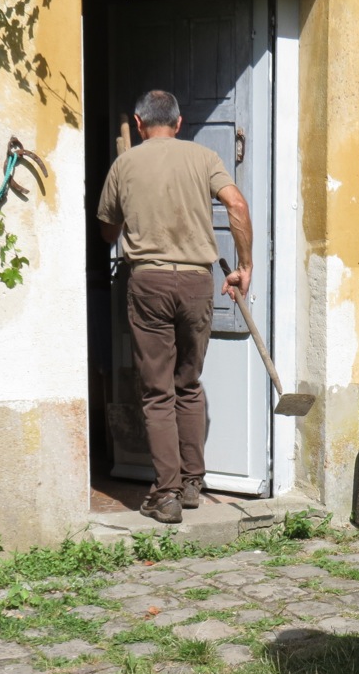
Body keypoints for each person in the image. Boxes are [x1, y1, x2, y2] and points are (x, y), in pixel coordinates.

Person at [97, 90, 253, 524]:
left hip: (149, 281)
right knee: (188, 384)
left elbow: (108, 233)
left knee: (157, 392)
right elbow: (236, 203)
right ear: (180, 123)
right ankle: (190, 484)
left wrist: (132, 210)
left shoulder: (124, 164)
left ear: (139, 122)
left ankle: (165, 494)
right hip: (197, 282)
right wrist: (244, 265)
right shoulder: (204, 157)